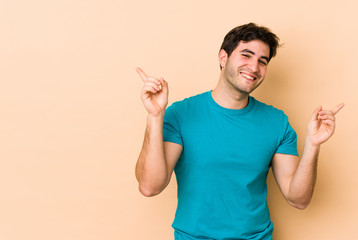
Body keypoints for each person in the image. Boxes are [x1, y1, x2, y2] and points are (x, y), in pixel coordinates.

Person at [135, 22, 344, 240]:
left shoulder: (277, 122)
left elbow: (298, 198)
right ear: (223, 58)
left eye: (262, 61)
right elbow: (150, 187)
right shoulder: (180, 114)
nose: (254, 67)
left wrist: (313, 145)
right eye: (246, 55)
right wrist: (155, 116)